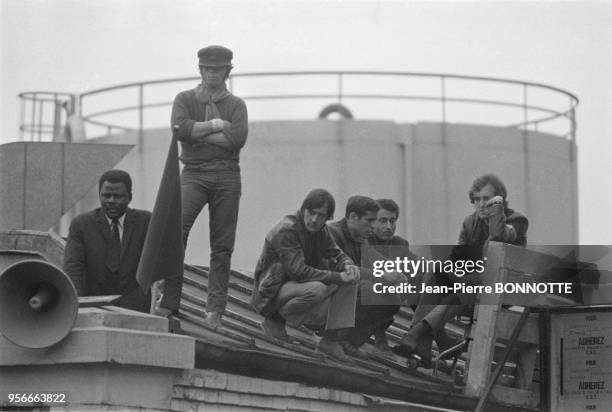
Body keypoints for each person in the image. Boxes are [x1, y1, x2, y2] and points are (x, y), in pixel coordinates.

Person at [395, 173, 528, 364]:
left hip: (501, 288)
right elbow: (458, 256)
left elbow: (499, 234)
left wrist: (496, 211)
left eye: (487, 199)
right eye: (477, 199)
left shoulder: (517, 220)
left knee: (469, 282)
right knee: (436, 271)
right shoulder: (469, 222)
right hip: (470, 285)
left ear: (499, 200)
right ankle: (426, 342)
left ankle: (417, 332)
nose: (481, 204)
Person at [170, 45, 248, 328]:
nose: (212, 73)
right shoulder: (184, 98)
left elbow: (237, 140)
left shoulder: (237, 105)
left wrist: (197, 133)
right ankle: (169, 300)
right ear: (200, 70)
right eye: (207, 68)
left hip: (227, 175)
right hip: (193, 173)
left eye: (218, 69)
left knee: (222, 245)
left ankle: (215, 309)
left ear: (227, 72)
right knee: (176, 232)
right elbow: (179, 130)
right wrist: (217, 124)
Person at [251, 189, 361, 363]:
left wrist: (348, 265)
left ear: (327, 218)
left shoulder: (321, 231)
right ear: (303, 210)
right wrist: (339, 277)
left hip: (296, 289)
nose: (314, 219)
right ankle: (275, 320)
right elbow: (299, 271)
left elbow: (335, 252)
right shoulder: (287, 230)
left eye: (321, 215)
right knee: (317, 288)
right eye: (311, 213)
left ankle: (330, 341)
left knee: (351, 282)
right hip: (270, 294)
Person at [63, 169, 152, 313]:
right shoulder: (81, 224)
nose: (111, 201)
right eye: (106, 196)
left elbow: (164, 262)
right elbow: (73, 267)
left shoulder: (147, 222)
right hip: (93, 308)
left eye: (118, 196)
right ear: (99, 195)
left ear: (129, 197)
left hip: (137, 311)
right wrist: (76, 305)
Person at [327, 196, 403, 359]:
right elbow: (346, 271)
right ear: (353, 217)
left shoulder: (360, 236)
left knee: (392, 298)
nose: (374, 226)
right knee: (370, 290)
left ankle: (350, 342)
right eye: (370, 220)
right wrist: (382, 275)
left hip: (346, 288)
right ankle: (337, 339)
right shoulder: (332, 234)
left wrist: (397, 275)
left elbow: (374, 260)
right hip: (327, 289)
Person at [367, 198, 416, 356]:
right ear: (372, 222)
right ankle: (380, 340)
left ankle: (422, 337)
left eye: (392, 221)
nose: (389, 226)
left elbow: (417, 264)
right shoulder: (363, 240)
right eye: (383, 221)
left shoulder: (399, 244)